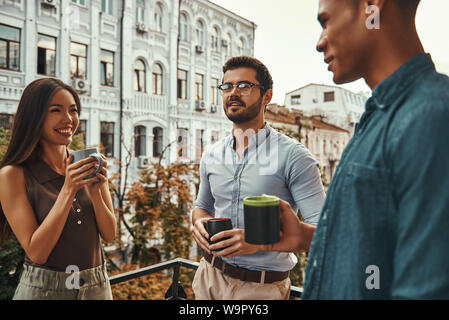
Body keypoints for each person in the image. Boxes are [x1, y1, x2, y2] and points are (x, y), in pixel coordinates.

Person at [267, 0, 449, 299]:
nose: (319, 42)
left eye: (325, 21)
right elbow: (381, 242)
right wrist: (308, 237)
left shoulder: (431, 116)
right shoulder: (379, 115)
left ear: (372, 6)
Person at [191, 56, 325, 300]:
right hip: (208, 278)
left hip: (260, 289)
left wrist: (259, 241)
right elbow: (201, 207)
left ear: (267, 96)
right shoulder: (211, 154)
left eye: (244, 86)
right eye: (227, 86)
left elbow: (325, 233)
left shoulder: (294, 156)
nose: (233, 92)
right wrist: (199, 223)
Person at [0, 78, 116, 300]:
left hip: (96, 288)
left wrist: (97, 191)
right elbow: (37, 252)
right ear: (34, 118)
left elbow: (109, 235)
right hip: (44, 291)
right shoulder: (12, 175)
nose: (68, 119)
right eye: (56, 110)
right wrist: (68, 189)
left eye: (73, 110)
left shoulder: (86, 163)